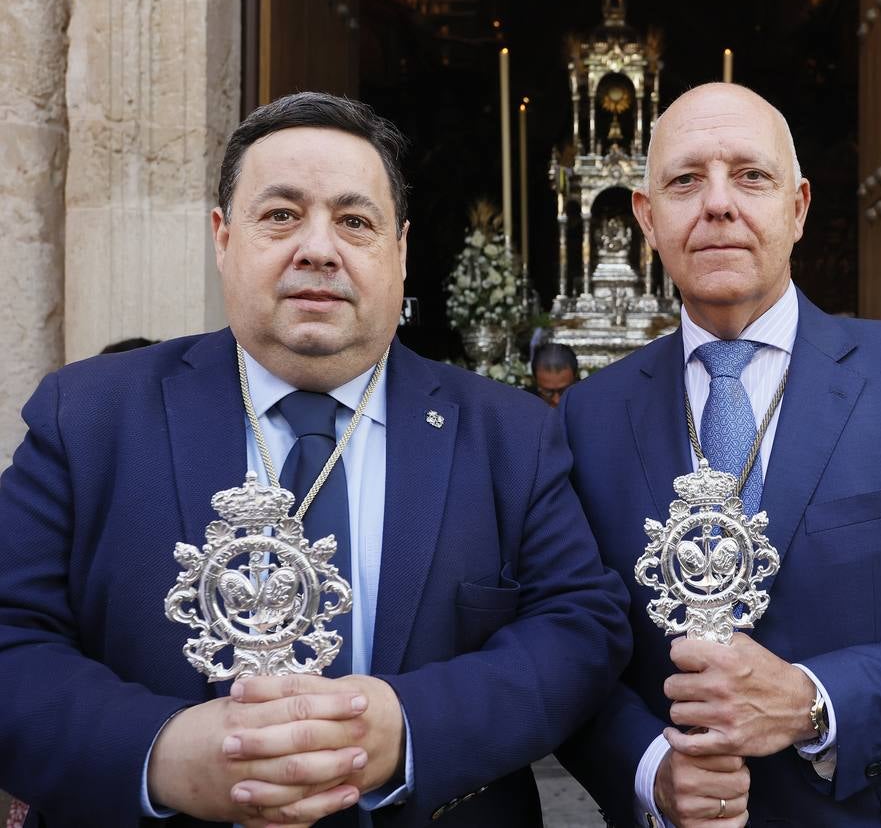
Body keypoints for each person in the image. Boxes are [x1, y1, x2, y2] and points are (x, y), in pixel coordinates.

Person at [0, 92, 631, 828]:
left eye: (355, 222)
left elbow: (581, 625)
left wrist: (407, 728)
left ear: (399, 252)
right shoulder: (89, 417)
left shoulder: (509, 436)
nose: (318, 249)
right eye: (281, 215)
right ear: (223, 237)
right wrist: (158, 754)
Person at [556, 83, 881, 827]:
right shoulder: (587, 418)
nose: (719, 203)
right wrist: (650, 770)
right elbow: (572, 651)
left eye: (752, 176)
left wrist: (814, 703)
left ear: (797, 208)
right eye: (685, 180)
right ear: (646, 218)